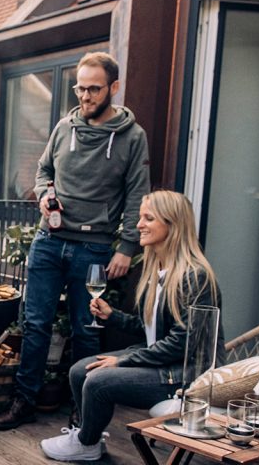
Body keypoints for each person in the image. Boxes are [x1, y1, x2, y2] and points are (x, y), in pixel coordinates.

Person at [0, 52, 151, 430]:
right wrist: (45, 193)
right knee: (35, 324)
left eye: (94, 89)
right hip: (49, 241)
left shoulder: (133, 137)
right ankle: (24, 401)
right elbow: (43, 170)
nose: (85, 95)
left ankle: (84, 408)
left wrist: (127, 246)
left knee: (87, 330)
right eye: (80, 87)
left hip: (95, 248)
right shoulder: (65, 127)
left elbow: (136, 194)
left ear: (113, 88)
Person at [40, 190, 224, 461]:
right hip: (159, 359)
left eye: (148, 218)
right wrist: (112, 316)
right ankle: (88, 439)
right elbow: (147, 328)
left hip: (185, 373)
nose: (138, 225)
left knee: (98, 381)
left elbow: (182, 343)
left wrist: (122, 362)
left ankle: (85, 442)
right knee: (80, 370)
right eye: (140, 217)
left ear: (172, 225)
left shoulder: (195, 276)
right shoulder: (158, 270)